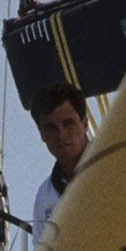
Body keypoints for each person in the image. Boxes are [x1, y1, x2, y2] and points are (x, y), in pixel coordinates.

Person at [30, 82, 90, 228]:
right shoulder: (45, 197)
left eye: (68, 124)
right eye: (51, 128)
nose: (61, 135)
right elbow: (43, 249)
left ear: (85, 124)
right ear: (41, 134)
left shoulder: (117, 168)